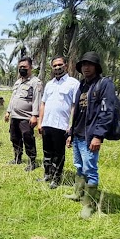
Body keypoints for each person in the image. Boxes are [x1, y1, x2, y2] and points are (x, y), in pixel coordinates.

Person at [66, 51, 116, 219]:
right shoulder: (82, 85)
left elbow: (106, 112)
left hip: (90, 136)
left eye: (90, 64)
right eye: (83, 65)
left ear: (96, 66)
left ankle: (88, 205)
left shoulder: (104, 84)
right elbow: (77, 113)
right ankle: (78, 193)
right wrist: (71, 133)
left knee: (90, 170)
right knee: (78, 166)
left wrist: (98, 136)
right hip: (78, 134)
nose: (86, 67)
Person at [37, 56, 80, 189]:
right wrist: (40, 122)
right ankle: (47, 175)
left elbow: (74, 106)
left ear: (66, 66)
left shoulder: (73, 83)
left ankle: (56, 178)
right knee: (47, 152)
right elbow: (43, 104)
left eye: (60, 65)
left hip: (61, 126)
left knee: (58, 154)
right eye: (54, 65)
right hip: (47, 124)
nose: (57, 67)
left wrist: (71, 126)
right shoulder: (50, 84)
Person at [4, 56, 42, 171]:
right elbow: (13, 98)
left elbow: (37, 99)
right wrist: (8, 111)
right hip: (14, 116)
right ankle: (17, 158)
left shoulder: (35, 82)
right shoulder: (17, 82)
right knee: (14, 138)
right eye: (20, 67)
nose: (22, 69)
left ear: (30, 68)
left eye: (24, 67)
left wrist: (35, 116)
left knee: (28, 138)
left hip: (26, 117)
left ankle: (32, 161)